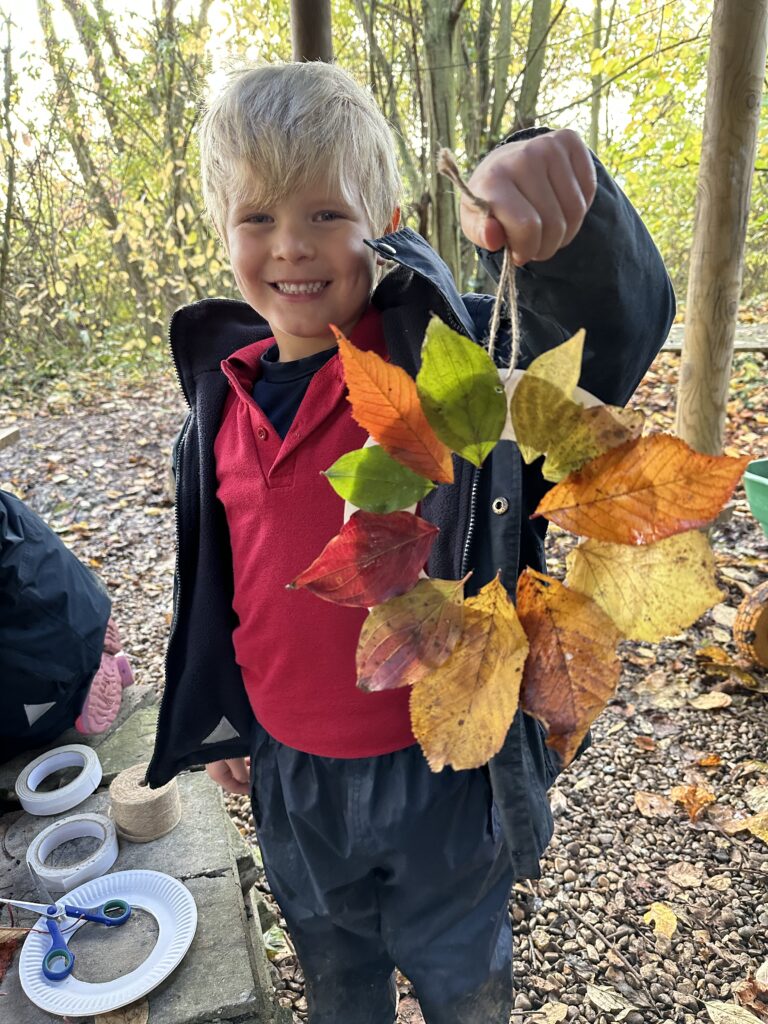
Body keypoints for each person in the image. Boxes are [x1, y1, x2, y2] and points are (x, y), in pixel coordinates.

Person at [145, 61, 675, 1023]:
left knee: (460, 974)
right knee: (336, 974)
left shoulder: (446, 373)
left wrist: (570, 227)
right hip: (290, 775)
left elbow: (601, 343)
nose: (291, 246)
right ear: (223, 228)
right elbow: (230, 577)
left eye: (326, 215)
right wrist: (230, 713)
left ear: (386, 218)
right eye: (258, 217)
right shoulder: (216, 398)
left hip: (436, 767)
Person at [0, 488, 133, 762]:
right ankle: (87, 634)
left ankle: (80, 671)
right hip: (57, 591)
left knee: (19, 732)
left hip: (41, 658)